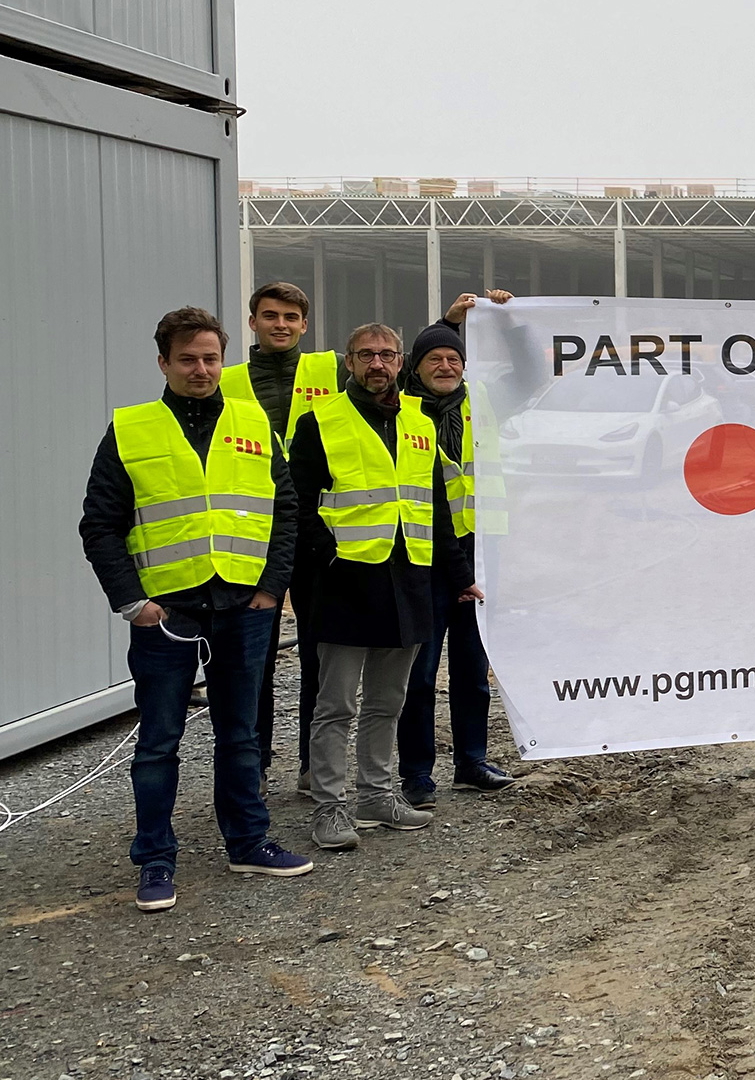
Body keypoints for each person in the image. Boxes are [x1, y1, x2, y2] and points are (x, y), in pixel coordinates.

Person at [78, 307, 314, 912]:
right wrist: (132, 602)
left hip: (244, 604)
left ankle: (248, 842)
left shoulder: (252, 422)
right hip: (168, 613)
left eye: (211, 358)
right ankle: (156, 860)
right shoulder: (131, 429)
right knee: (159, 741)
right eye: (187, 359)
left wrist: (271, 588)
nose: (201, 369)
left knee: (241, 735)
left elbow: (284, 510)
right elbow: (100, 525)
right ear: (164, 363)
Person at [290, 323, 474, 850]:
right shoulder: (320, 422)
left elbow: (435, 504)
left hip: (408, 577)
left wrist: (460, 576)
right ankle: (329, 806)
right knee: (336, 705)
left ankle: (375, 795)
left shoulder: (419, 422)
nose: (377, 363)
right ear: (349, 362)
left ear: (400, 363)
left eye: (387, 354)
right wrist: (327, 555)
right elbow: (298, 503)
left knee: (388, 701)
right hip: (346, 580)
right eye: (366, 354)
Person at [396, 292, 518, 807]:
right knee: (419, 676)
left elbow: (528, 371)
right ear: (416, 369)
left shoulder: (483, 400)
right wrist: (447, 322)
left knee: (472, 670)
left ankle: (472, 761)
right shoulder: (398, 408)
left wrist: (508, 321)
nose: (445, 366)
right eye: (434, 359)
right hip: (421, 561)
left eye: (454, 358)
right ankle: (416, 774)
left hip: (477, 555)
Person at [221, 282, 344, 790]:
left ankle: (314, 767)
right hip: (252, 533)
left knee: (318, 653)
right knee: (254, 660)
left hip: (314, 531)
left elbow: (402, 373)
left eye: (291, 317)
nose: (281, 324)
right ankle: (255, 767)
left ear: (304, 324)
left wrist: (451, 325)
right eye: (270, 315)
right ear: (252, 322)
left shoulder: (330, 370)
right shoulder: (226, 379)